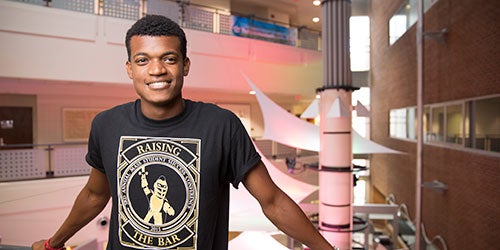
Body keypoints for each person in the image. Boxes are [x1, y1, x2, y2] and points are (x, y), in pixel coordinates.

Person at [32, 15, 335, 250]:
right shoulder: (106, 124)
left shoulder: (221, 125)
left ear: (185, 65)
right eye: (143, 60)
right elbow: (95, 194)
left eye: (169, 58)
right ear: (129, 68)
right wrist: (53, 243)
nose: (156, 70)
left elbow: (272, 201)